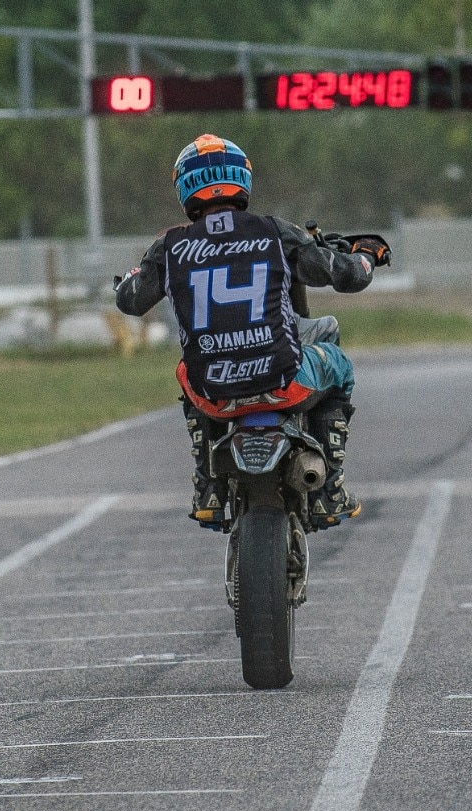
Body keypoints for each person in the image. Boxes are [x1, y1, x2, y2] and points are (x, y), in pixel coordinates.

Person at [114, 133, 390, 532]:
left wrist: (126, 280)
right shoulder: (275, 232)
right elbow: (348, 277)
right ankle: (330, 487)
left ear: (184, 188)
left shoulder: (168, 246)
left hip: (213, 394)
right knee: (340, 366)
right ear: (241, 179)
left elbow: (131, 301)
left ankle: (208, 483)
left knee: (186, 369)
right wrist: (366, 255)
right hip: (284, 383)